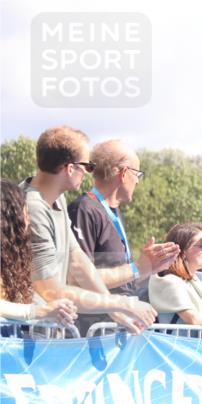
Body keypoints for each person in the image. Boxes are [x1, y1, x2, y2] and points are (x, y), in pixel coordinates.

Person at [21, 126, 156, 334]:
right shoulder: (33, 207)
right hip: (27, 334)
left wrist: (115, 310)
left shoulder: (57, 199)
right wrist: (122, 304)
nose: (89, 172)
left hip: (46, 332)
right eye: (88, 166)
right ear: (70, 168)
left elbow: (77, 260)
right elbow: (51, 292)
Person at [68, 139, 179, 334]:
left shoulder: (112, 212)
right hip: (91, 335)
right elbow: (77, 280)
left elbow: (116, 277)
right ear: (124, 173)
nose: (137, 180)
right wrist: (137, 268)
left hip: (118, 331)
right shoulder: (84, 210)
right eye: (137, 174)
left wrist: (148, 268)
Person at [0, 179, 77, 326]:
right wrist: (38, 311)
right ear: (11, 216)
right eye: (25, 212)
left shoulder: (13, 257)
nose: (29, 219)